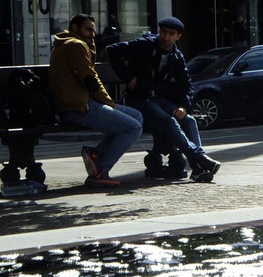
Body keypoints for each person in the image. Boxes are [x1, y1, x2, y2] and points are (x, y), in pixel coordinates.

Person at [106, 16, 221, 183]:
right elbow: (112, 50)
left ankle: (198, 168)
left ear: (178, 36)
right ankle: (199, 159)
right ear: (159, 31)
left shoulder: (176, 56)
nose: (166, 37)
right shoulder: (144, 45)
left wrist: (183, 106)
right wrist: (129, 78)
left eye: (171, 34)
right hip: (139, 101)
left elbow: (187, 85)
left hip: (160, 101)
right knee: (169, 122)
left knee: (189, 121)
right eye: (163, 32)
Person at [48, 14, 143, 189]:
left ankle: (96, 154)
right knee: (133, 127)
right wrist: (110, 103)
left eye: (93, 29)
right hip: (79, 107)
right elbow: (90, 80)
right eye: (88, 29)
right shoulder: (75, 45)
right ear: (75, 29)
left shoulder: (70, 43)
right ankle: (101, 171)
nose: (93, 34)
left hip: (78, 104)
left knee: (136, 116)